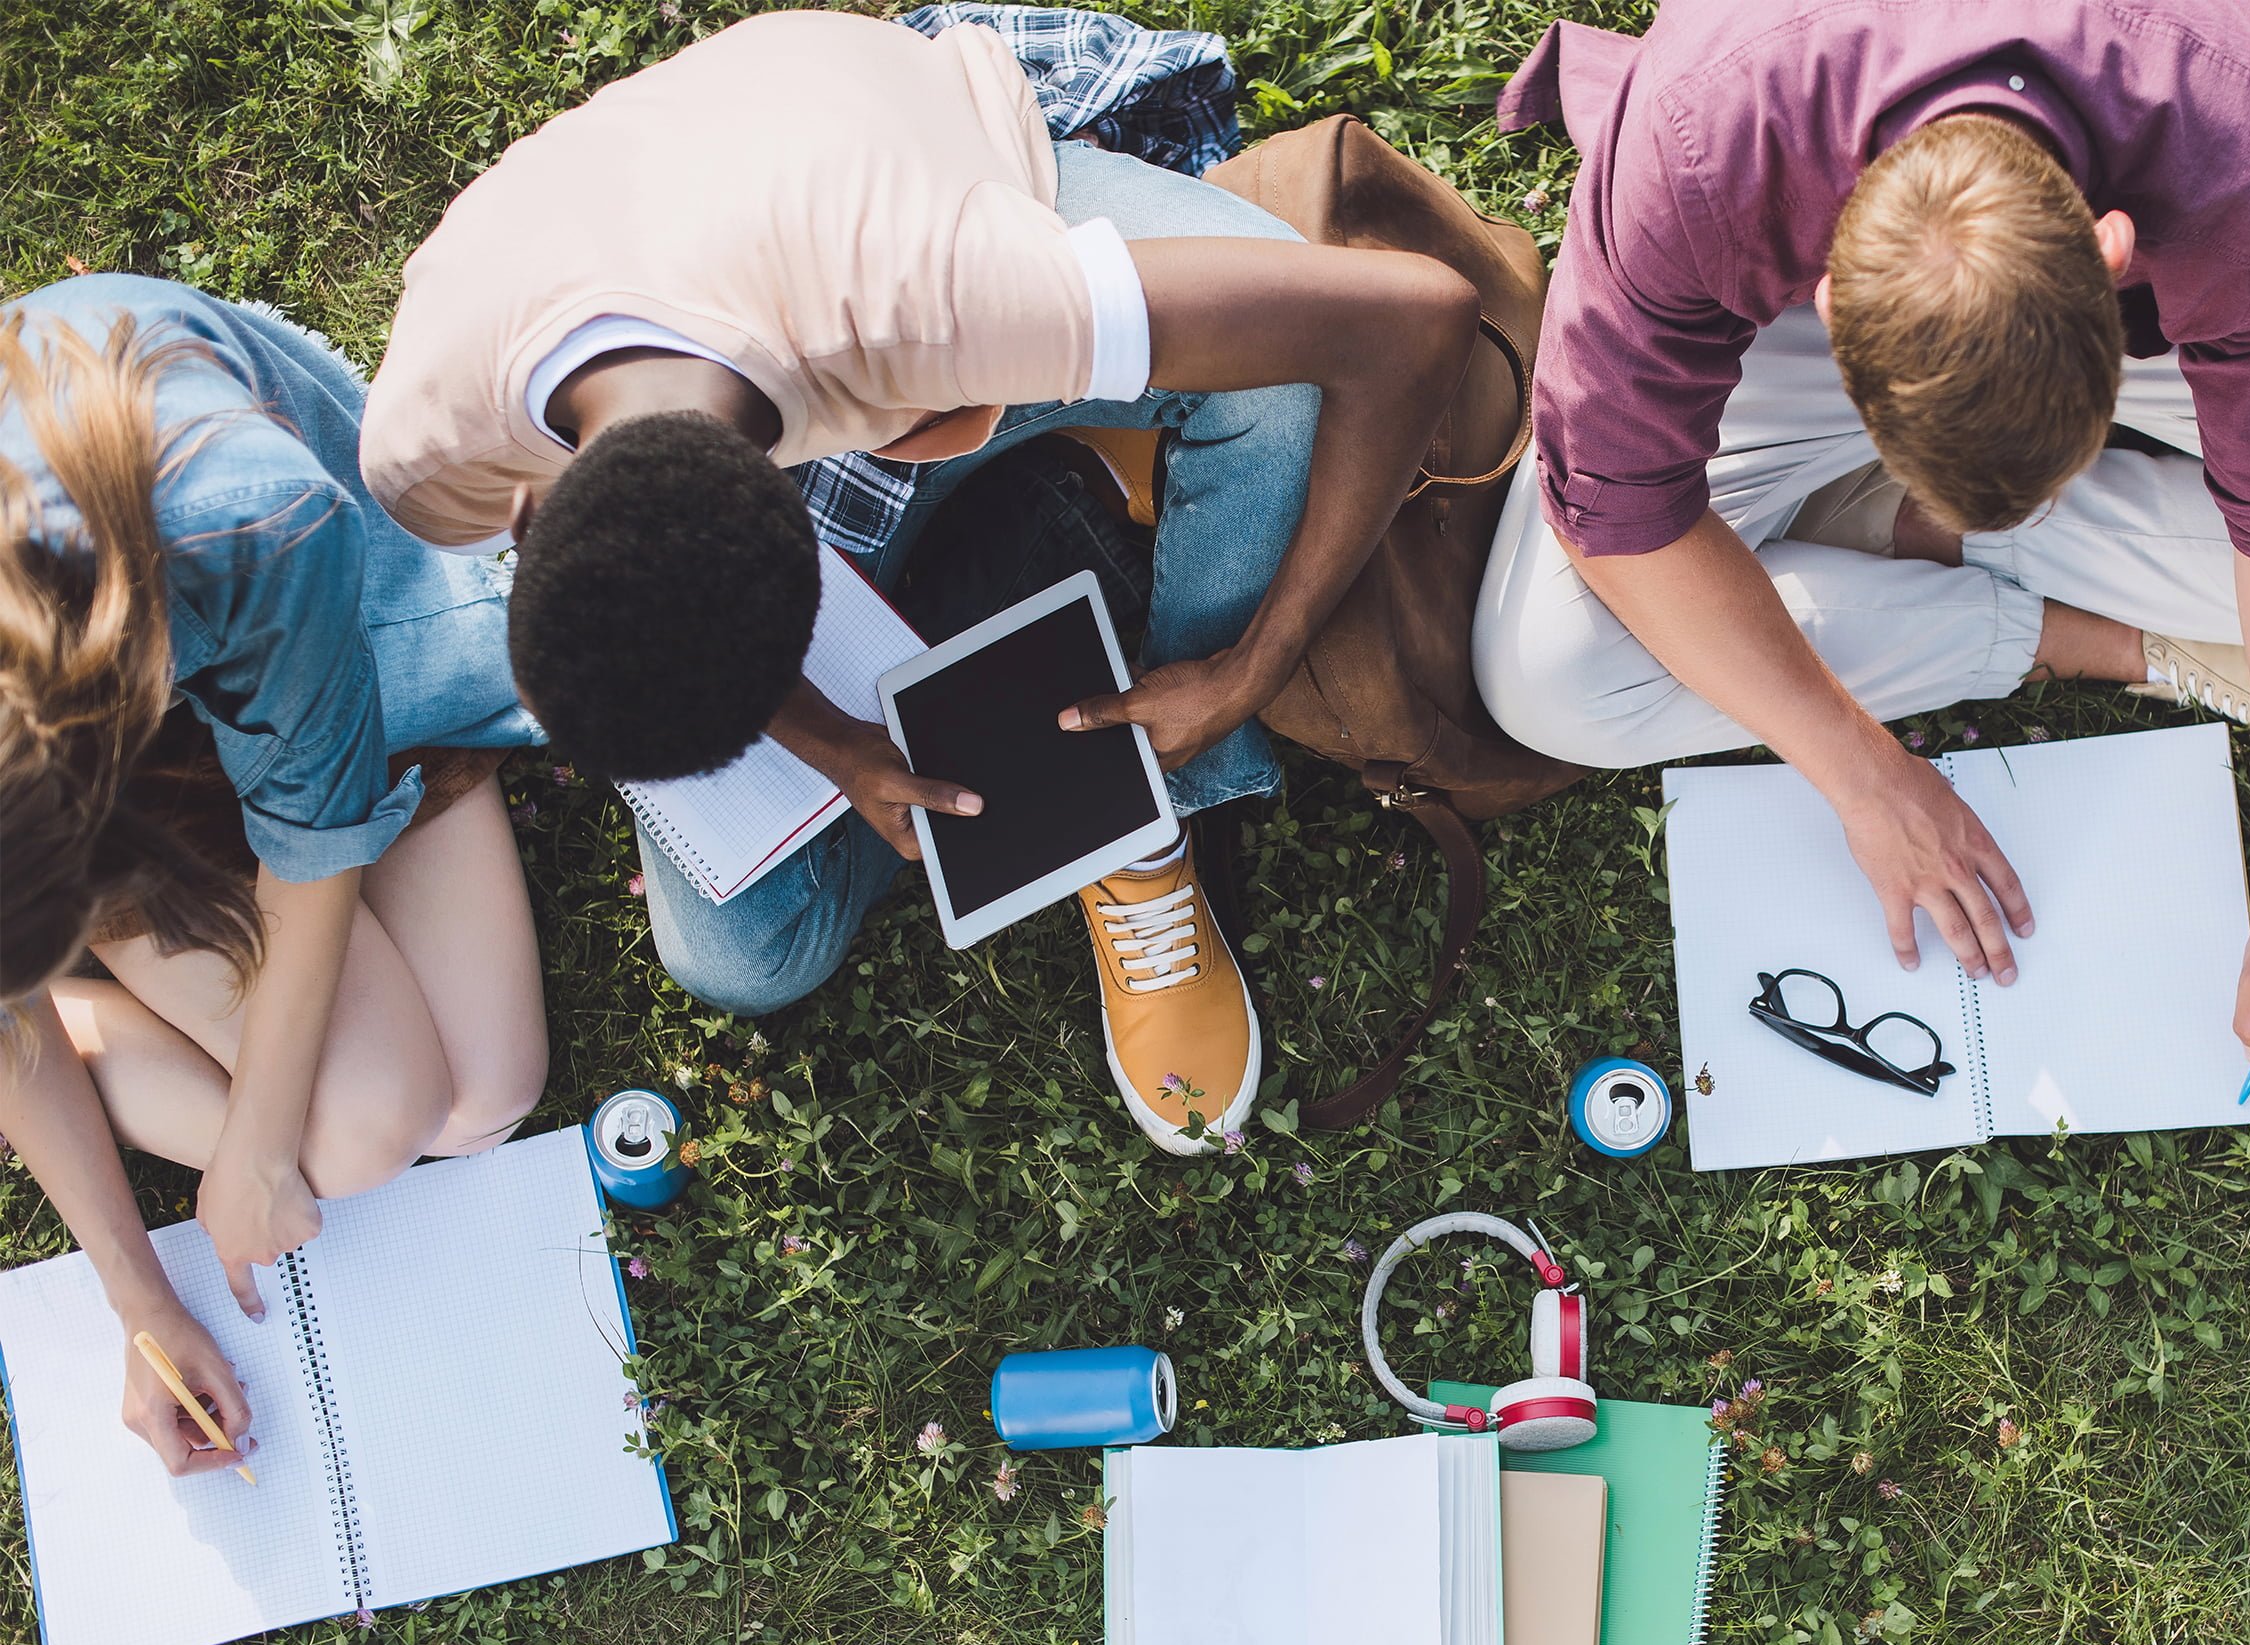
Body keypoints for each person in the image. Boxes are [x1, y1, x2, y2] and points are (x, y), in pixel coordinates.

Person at [359, 8, 1478, 1155]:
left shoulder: (943, 298)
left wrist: (1253, 665)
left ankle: (1155, 804)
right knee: (740, 954)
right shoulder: (427, 450)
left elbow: (1414, 319)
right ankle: (1065, 550)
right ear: (527, 506)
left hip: (915, 175)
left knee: (1274, 398)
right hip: (724, 246)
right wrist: (830, 743)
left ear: (817, 551)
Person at [1476, 2, 2250, 1088]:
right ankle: (2025, 596)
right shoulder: (1702, 133)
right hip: (1798, 227)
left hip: (2189, 216)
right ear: (1827, 297)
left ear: (2112, 255)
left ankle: (1881, 534)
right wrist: (1865, 776)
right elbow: (1613, 501)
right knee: (1548, 676)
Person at [0, 277, 548, 1477]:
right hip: (131, 714)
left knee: (481, 1100)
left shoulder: (247, 525)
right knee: (370, 1132)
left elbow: (312, 825)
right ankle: (86, 1023)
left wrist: (252, 1145)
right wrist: (140, 1302)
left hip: (289, 627)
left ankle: (107, 1011)